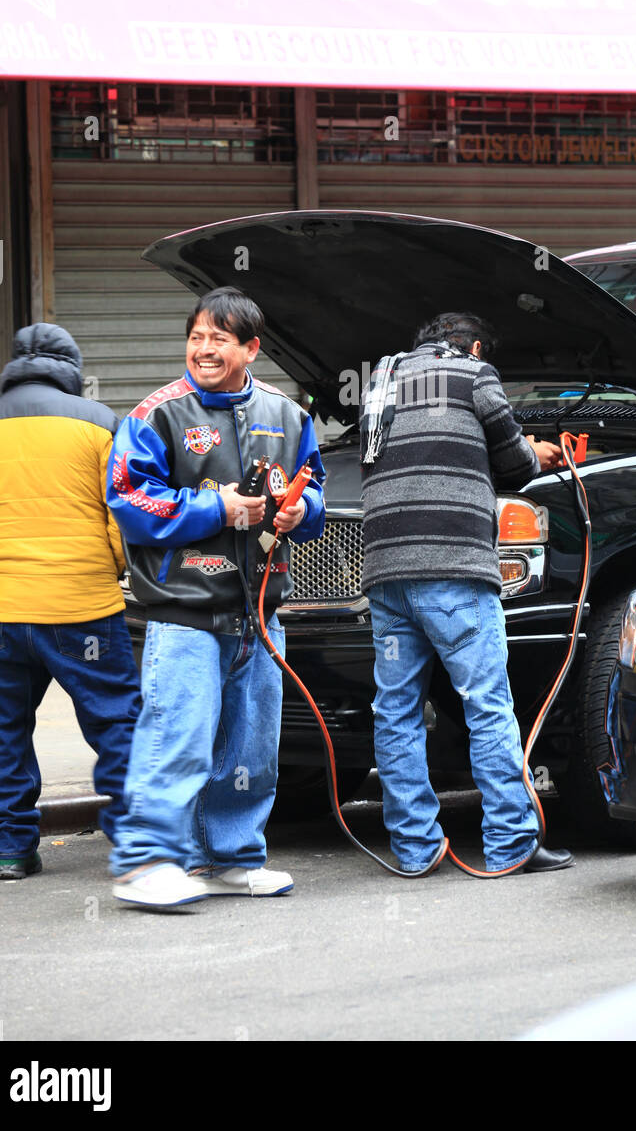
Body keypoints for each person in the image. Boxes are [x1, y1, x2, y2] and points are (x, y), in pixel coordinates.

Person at [106, 286, 325, 910]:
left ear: (251, 349)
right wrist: (218, 507)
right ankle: (146, 863)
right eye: (196, 336)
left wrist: (296, 511)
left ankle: (231, 857)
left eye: (218, 339)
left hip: (259, 611)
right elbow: (128, 501)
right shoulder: (156, 415)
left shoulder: (289, 415)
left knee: (251, 746)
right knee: (178, 738)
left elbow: (315, 491)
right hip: (184, 611)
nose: (203, 349)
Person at [360, 311, 574, 876]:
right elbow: (513, 462)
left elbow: (419, 451)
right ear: (474, 346)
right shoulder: (475, 373)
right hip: (452, 565)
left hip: (386, 571)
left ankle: (414, 848)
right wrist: (538, 451)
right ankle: (510, 844)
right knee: (487, 704)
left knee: (397, 710)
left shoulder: (381, 381)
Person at [0, 324, 142, 880]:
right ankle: (134, 842)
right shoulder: (103, 424)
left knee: (3, 729)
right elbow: (123, 517)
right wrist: (109, 571)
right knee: (116, 724)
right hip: (83, 608)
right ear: (71, 367)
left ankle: (12, 850)